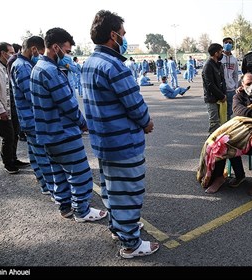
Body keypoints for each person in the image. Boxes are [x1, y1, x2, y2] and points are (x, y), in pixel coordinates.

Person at [81, 10, 159, 258]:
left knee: (112, 190)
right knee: (129, 193)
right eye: (123, 34)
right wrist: (146, 123)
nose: (124, 39)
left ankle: (119, 228)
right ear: (113, 35)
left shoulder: (89, 64)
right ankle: (131, 245)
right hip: (123, 142)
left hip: (104, 142)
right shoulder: (115, 66)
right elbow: (135, 105)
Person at [30, 27, 106, 222]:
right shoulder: (51, 71)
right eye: (68, 51)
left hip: (47, 134)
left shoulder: (37, 68)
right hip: (62, 133)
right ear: (56, 47)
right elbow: (68, 105)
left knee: (59, 173)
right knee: (79, 173)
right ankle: (82, 210)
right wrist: (83, 124)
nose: (68, 56)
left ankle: (65, 207)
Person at [9, 36, 54, 196]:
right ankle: (50, 186)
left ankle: (44, 184)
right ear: (34, 49)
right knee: (42, 155)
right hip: (33, 119)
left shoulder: (22, 64)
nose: (41, 56)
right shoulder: (23, 67)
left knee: (35, 154)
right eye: (40, 52)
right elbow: (33, 96)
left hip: (28, 119)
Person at [0, 42, 30, 174]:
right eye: (12, 52)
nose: (14, 54)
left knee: (15, 135)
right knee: (7, 136)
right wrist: (0, 110)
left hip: (12, 107)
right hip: (1, 110)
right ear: (3, 53)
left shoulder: (8, 65)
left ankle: (14, 158)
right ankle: (8, 163)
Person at [202, 43, 227, 134]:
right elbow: (210, 84)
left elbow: (222, 81)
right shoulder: (208, 66)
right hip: (212, 99)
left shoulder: (219, 65)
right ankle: (210, 145)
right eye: (221, 52)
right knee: (214, 123)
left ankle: (219, 145)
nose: (222, 54)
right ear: (216, 53)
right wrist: (221, 96)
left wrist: (224, 94)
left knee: (222, 122)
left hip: (220, 98)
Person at [220, 37, 239, 120]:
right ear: (223, 44)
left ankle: (226, 128)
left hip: (231, 90)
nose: (228, 44)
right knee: (220, 111)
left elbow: (235, 74)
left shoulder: (234, 60)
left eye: (230, 43)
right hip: (221, 90)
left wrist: (235, 86)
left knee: (229, 112)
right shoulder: (220, 58)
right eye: (226, 42)